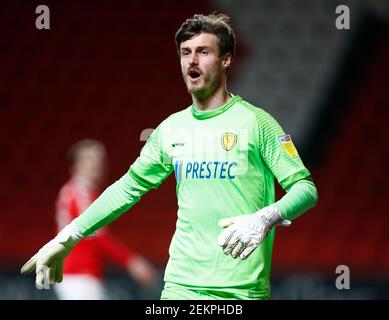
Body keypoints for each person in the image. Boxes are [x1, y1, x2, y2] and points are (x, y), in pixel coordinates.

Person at [21, 13, 318, 300]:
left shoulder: (257, 123)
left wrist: (265, 218)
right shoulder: (170, 130)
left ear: (226, 60)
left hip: (240, 292)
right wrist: (69, 235)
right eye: (185, 52)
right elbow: (127, 188)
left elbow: (305, 188)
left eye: (203, 51)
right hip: (179, 288)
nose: (192, 60)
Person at [54, 139, 157, 299]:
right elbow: (96, 237)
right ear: (75, 165)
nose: (96, 164)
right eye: (89, 158)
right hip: (78, 275)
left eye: (99, 159)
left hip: (80, 275)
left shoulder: (79, 192)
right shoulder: (79, 193)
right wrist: (131, 262)